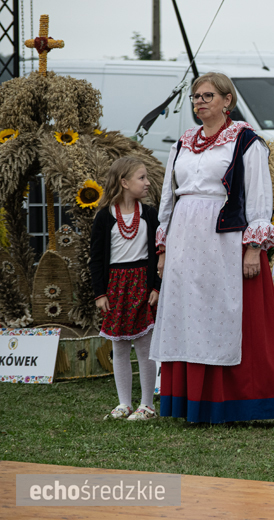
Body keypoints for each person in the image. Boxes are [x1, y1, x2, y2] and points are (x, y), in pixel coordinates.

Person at [150, 72, 274, 424]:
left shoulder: (246, 142)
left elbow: (259, 197)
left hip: (224, 237)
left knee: (221, 314)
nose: (200, 102)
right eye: (196, 97)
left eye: (208, 96)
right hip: (185, 234)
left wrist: (253, 248)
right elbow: (169, 197)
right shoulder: (182, 143)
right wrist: (164, 247)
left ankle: (229, 402)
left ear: (227, 100)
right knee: (188, 313)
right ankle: (188, 400)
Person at [90, 156, 161, 421]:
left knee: (144, 346)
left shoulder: (149, 215)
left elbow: (158, 252)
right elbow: (96, 259)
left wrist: (156, 286)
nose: (147, 182)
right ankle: (123, 404)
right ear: (124, 182)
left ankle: (147, 405)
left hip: (142, 284)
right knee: (119, 347)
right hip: (116, 286)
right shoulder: (105, 216)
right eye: (141, 178)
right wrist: (100, 293)